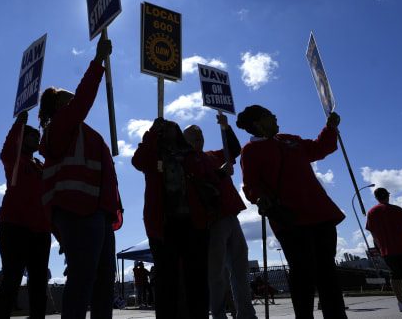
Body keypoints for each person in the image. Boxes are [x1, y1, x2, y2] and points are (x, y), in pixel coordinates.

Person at [38, 37, 123, 319]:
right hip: (77, 210)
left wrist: (113, 211)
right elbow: (84, 96)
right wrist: (98, 59)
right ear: (56, 106)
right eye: (65, 96)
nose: (72, 97)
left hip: (99, 213)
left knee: (103, 282)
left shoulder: (84, 133)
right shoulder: (61, 125)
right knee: (84, 278)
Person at [236, 105, 346, 319]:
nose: (275, 116)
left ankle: (337, 316)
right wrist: (259, 198)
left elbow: (319, 148)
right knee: (302, 273)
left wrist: (330, 128)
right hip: (290, 219)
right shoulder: (250, 151)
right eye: (269, 115)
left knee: (327, 272)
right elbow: (250, 185)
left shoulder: (289, 138)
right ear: (258, 123)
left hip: (319, 213)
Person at [131, 118, 215, 319]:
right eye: (163, 129)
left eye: (171, 128)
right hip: (163, 223)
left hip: (193, 222)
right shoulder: (153, 154)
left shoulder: (191, 156)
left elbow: (208, 177)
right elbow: (138, 161)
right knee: (166, 278)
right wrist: (152, 132)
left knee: (196, 276)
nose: (167, 131)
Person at [183, 117, 257, 319]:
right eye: (193, 135)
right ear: (185, 140)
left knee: (240, 269)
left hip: (231, 215)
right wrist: (220, 174)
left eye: (200, 134)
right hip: (212, 220)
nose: (199, 138)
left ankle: (246, 313)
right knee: (217, 274)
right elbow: (198, 185)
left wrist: (225, 127)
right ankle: (218, 314)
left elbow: (233, 150)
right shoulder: (186, 161)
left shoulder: (213, 155)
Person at [0, 111, 51, 319]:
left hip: (41, 230)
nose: (35, 139)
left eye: (38, 136)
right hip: (14, 226)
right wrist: (19, 124)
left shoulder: (41, 166)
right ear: (21, 138)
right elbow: (8, 149)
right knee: (11, 279)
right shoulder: (15, 159)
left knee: (39, 283)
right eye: (31, 135)